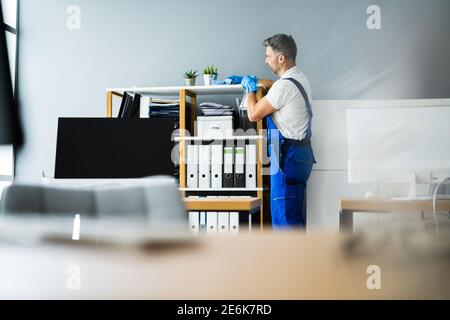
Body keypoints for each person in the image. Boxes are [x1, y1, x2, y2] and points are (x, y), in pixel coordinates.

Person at [231, 34, 316, 228]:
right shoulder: (298, 79)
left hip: (287, 159)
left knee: (285, 220)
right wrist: (252, 80)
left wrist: (250, 89)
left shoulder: (284, 86)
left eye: (268, 56)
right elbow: (273, 85)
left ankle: (290, 259)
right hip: (301, 156)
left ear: (281, 58)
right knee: (293, 216)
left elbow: (253, 114)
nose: (265, 60)